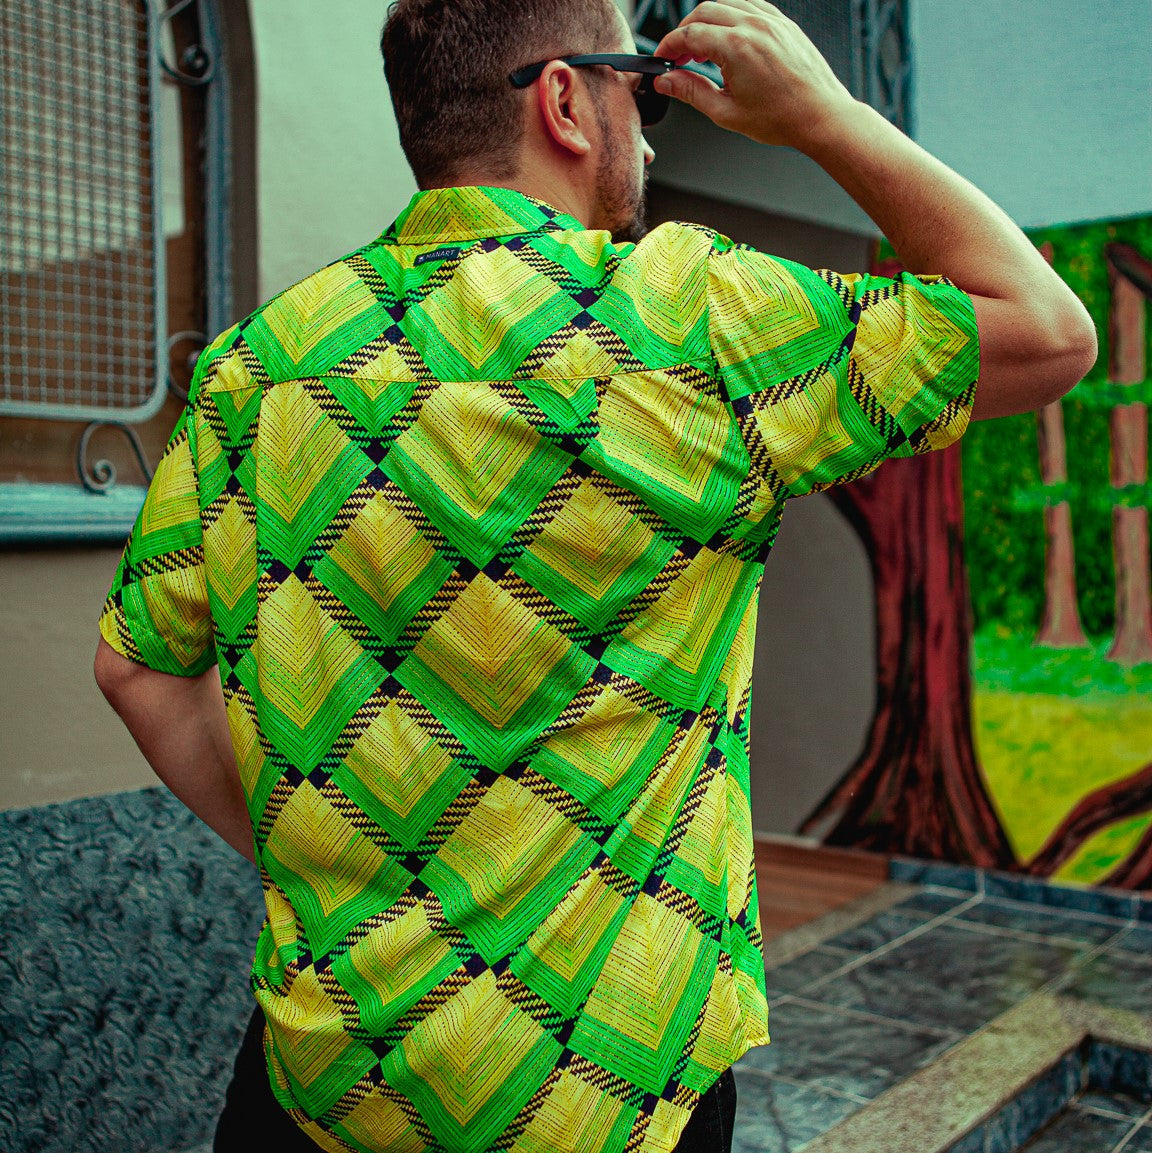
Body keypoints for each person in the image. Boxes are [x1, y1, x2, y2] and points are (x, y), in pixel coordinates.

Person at [94, 1, 1097, 1150]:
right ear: (566, 99)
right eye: (638, 89)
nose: (652, 142)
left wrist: (329, 853)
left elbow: (137, 670)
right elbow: (1047, 330)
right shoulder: (693, 318)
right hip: (608, 1094)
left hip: (327, 1078)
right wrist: (824, 114)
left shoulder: (254, 366)